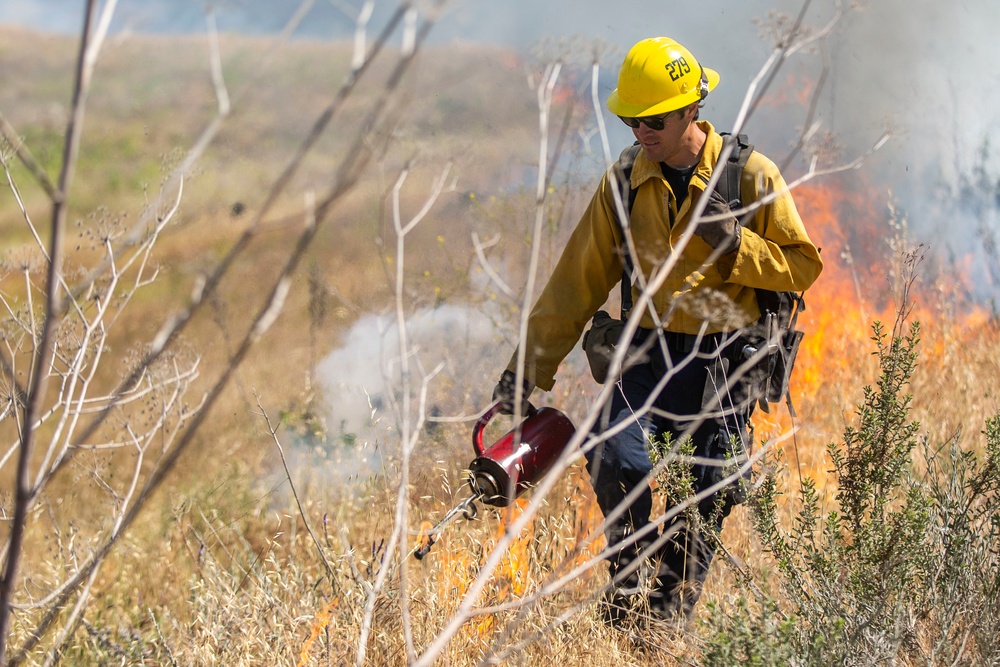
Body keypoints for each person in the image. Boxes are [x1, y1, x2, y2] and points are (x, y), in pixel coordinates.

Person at [492, 36, 823, 626]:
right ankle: (627, 589)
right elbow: (575, 283)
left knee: (706, 495)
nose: (641, 132)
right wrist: (526, 372)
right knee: (612, 457)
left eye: (654, 120)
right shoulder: (623, 182)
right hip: (646, 355)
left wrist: (735, 246)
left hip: (724, 365)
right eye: (630, 120)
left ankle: (666, 619)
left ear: (692, 109)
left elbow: (803, 266)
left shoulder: (749, 176)